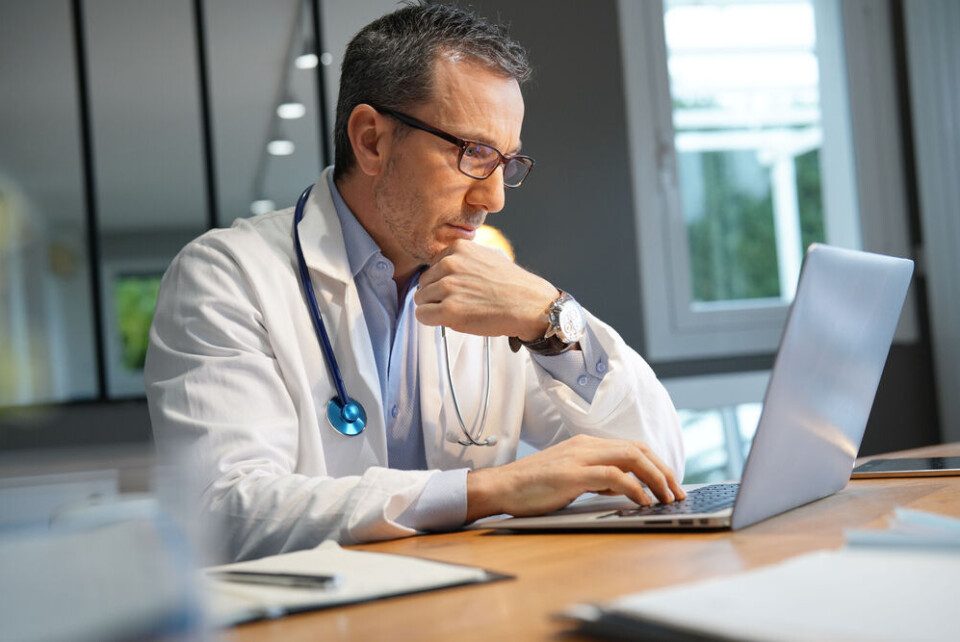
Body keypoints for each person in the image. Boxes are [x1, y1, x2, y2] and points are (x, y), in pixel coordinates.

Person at [145, 2, 685, 563]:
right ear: (372, 140)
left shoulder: (496, 288)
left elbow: (657, 460)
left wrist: (552, 318)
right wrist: (487, 492)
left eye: (507, 162)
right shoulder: (226, 277)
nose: (493, 198)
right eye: (473, 153)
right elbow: (225, 512)